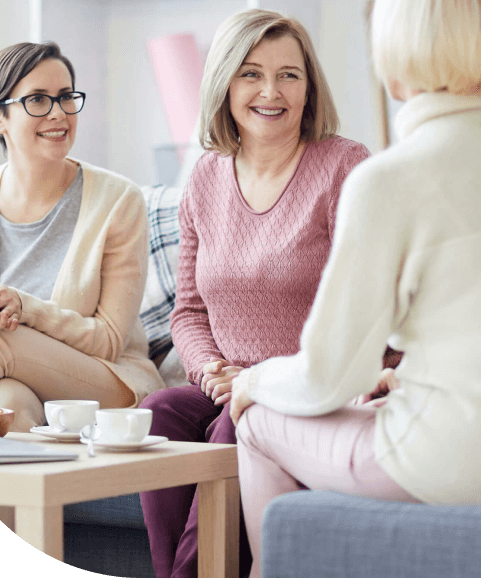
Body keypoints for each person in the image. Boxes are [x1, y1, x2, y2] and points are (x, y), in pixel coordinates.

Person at [139, 9, 400, 578]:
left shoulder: (344, 166)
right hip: (227, 383)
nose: (270, 91)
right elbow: (189, 311)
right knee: (157, 412)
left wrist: (258, 382)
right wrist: (211, 370)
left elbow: (372, 304)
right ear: (225, 83)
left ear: (309, 87)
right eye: (252, 74)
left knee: (239, 418)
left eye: (289, 75)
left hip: (316, 386)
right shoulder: (204, 177)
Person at [230, 0, 481, 576]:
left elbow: (329, 377)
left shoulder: (387, 178)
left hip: (450, 460)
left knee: (257, 421)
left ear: (395, 63)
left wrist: (253, 380)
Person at [0, 42, 164, 431]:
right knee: (9, 402)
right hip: (8, 376)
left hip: (106, 381)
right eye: (38, 100)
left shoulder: (118, 200)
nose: (59, 113)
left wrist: (24, 309)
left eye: (65, 97)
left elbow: (109, 340)